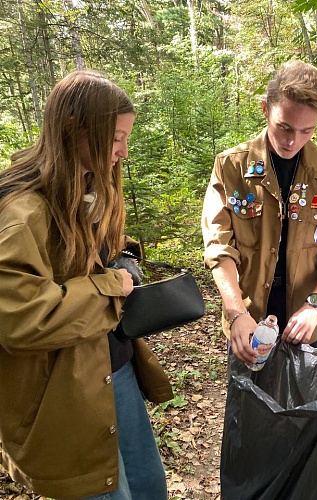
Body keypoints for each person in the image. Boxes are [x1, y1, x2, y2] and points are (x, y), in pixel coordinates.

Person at [0, 70, 173, 500]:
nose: (124, 152)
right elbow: (22, 318)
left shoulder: (88, 183)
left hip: (114, 367)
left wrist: (125, 258)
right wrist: (112, 285)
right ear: (75, 129)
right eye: (116, 137)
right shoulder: (21, 211)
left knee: (150, 486)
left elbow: (98, 250)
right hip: (64, 391)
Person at [201, 58, 317, 363]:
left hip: (305, 320)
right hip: (247, 318)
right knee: (248, 405)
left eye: (306, 131)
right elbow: (219, 246)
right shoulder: (232, 167)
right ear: (265, 109)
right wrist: (236, 312)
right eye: (284, 127)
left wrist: (316, 304)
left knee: (302, 408)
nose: (292, 141)